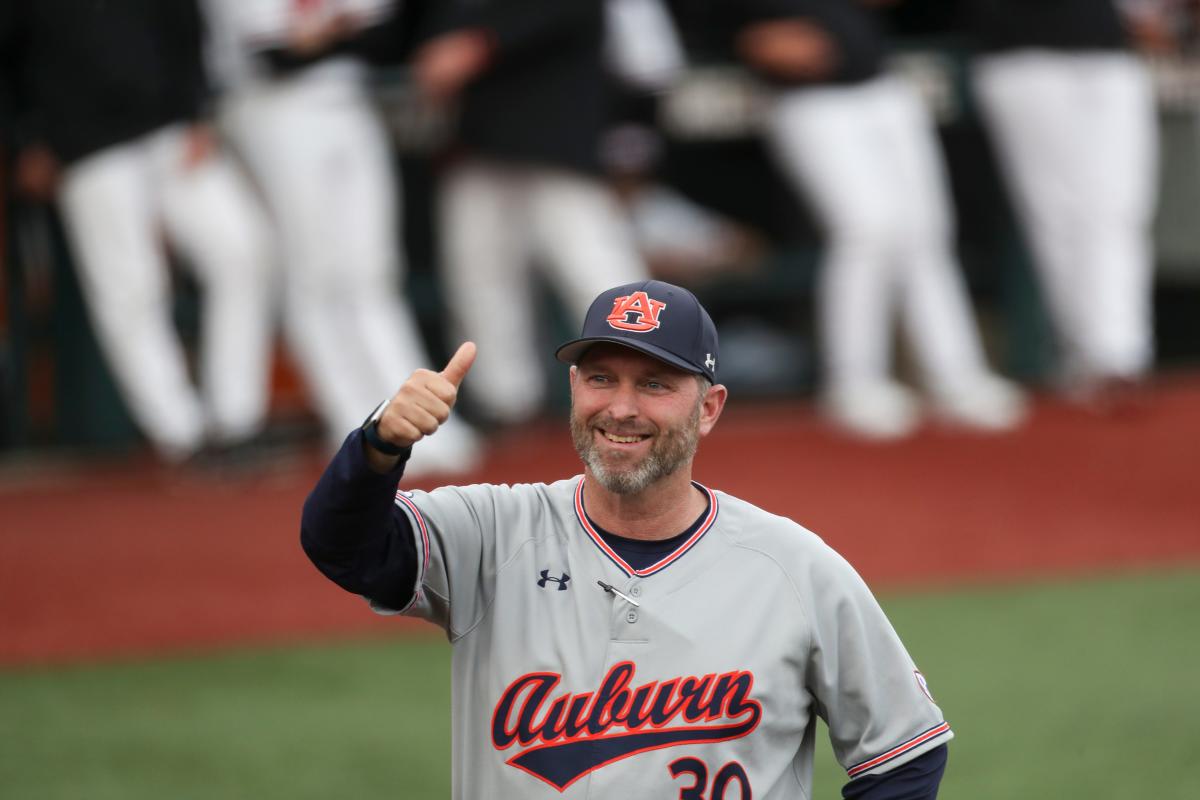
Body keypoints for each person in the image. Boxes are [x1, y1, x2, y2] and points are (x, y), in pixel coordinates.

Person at [301, 279, 952, 799]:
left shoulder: (795, 568)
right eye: (601, 378)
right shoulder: (492, 533)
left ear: (709, 407)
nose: (621, 408)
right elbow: (343, 548)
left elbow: (904, 754)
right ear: (573, 387)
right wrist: (380, 445)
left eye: (655, 384)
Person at [727, 0, 1027, 439]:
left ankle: (956, 377)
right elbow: (749, 35)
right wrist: (768, 41)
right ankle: (853, 383)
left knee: (926, 233)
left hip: (881, 87)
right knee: (865, 230)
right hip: (807, 100)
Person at [202, 0, 480, 473]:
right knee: (315, 274)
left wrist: (327, 32)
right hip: (272, 109)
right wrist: (332, 30)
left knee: (373, 271)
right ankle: (358, 424)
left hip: (348, 98)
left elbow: (380, 27)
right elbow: (274, 51)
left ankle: (417, 415)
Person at [4, 0, 274, 463]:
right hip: (84, 144)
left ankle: (237, 420)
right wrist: (22, 141)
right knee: (129, 289)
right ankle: (181, 435)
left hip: (170, 126)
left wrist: (199, 110)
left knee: (241, 249)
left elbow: (187, 23)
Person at [411, 0, 649, 427]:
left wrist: (482, 44)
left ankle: (652, 381)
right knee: (480, 279)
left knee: (599, 277)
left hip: (555, 131)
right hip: (478, 137)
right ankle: (505, 405)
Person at [963, 0, 1162, 407]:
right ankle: (1088, 356)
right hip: (1023, 59)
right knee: (1059, 215)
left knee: (1120, 208)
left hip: (1108, 52)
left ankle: (1122, 355)